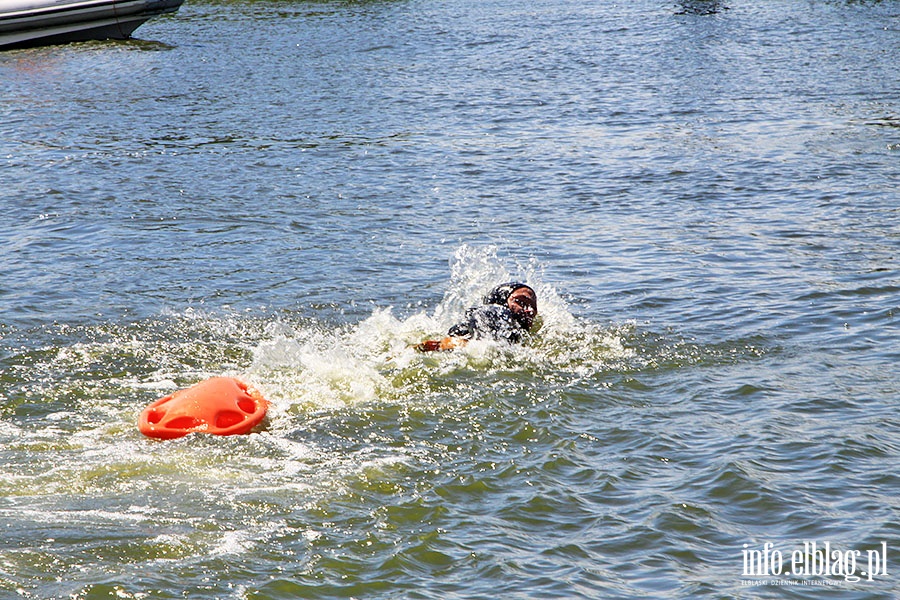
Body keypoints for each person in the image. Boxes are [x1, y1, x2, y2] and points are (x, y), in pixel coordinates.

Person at [416, 282, 538, 351]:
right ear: (501, 301)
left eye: (533, 305)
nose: (530, 310)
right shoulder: (496, 311)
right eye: (521, 302)